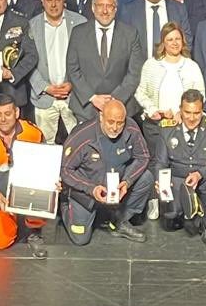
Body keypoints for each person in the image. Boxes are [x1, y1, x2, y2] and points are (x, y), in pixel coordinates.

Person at [60, 99, 153, 245]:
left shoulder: (132, 128)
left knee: (146, 177)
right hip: (87, 190)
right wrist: (91, 188)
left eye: (120, 123)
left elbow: (143, 156)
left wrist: (127, 182)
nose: (115, 128)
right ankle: (66, 205)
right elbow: (65, 170)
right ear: (101, 117)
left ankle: (119, 221)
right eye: (110, 122)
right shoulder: (82, 136)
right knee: (80, 239)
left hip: (116, 185)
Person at [0, 96, 49, 257]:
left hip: (27, 193)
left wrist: (52, 182)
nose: (3, 119)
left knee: (45, 194)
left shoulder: (33, 133)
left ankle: (34, 231)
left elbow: (46, 165)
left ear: (17, 112)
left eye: (8, 113)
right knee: (1, 242)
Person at [154, 90, 206, 245]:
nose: (192, 118)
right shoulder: (167, 129)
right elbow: (160, 162)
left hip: (204, 176)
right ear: (180, 109)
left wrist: (200, 174)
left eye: (197, 113)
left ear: (202, 110)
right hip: (178, 177)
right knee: (171, 216)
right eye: (187, 112)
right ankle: (186, 215)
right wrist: (161, 180)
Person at [66, 0, 145, 123]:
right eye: (100, 5)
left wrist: (113, 100)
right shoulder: (78, 33)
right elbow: (72, 69)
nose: (104, 11)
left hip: (121, 107)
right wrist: (93, 98)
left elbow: (134, 73)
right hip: (86, 108)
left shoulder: (130, 34)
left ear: (115, 8)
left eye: (109, 6)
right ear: (93, 7)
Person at [135, 22, 206, 162]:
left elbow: (200, 96)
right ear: (163, 42)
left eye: (177, 39)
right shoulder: (151, 65)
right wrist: (154, 110)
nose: (174, 43)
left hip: (184, 124)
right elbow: (141, 92)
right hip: (157, 125)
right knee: (157, 163)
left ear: (183, 41)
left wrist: (182, 113)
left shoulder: (191, 66)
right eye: (170, 39)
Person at [27, 0, 85, 140]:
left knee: (80, 143)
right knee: (46, 148)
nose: (53, 5)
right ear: (42, 1)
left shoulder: (81, 23)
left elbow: (87, 60)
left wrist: (73, 84)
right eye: (49, 0)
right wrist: (45, 87)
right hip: (44, 97)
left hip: (74, 96)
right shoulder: (32, 26)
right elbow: (27, 63)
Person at [119, 0, 188, 54]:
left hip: (172, 65)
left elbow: (186, 40)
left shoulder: (178, 8)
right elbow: (124, 43)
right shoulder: (129, 10)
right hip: (139, 66)